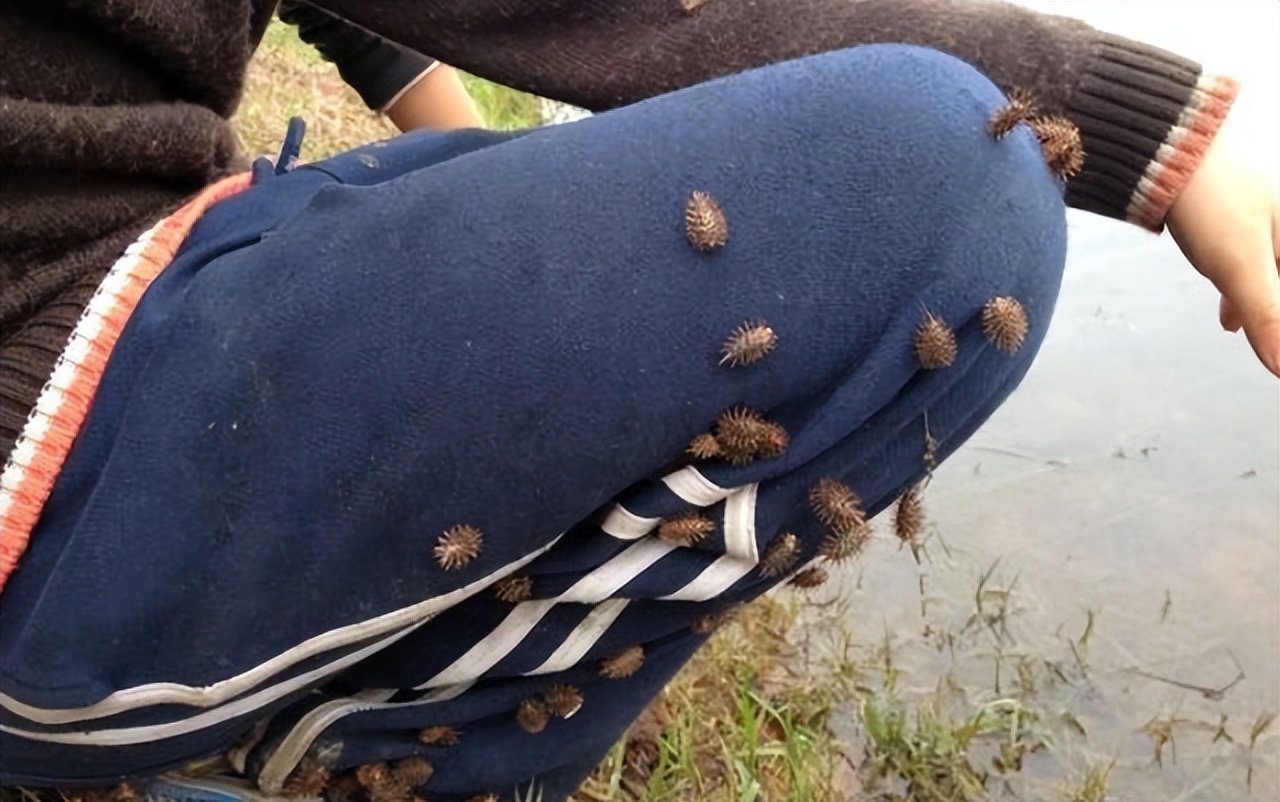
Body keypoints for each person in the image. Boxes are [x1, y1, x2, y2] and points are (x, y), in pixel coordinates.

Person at [0, 1, 1275, 798]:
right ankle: (387, 763)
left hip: (147, 289)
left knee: (488, 200)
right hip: (51, 444)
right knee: (948, 177)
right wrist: (1158, 128)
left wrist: (506, 180)